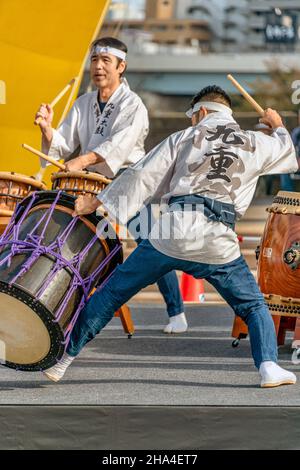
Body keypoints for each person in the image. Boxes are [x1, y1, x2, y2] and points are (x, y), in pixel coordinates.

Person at [43, 85, 298, 388]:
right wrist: (278, 125)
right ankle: (268, 366)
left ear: (201, 112)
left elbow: (139, 175)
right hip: (217, 239)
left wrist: (96, 203)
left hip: (172, 231)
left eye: (193, 116)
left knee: (113, 293)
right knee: (253, 306)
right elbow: (287, 153)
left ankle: (64, 360)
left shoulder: (184, 137)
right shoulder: (255, 142)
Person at [34, 36, 186, 334]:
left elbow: (118, 145)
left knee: (151, 244)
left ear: (121, 67)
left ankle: (176, 311)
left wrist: (82, 161)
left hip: (130, 180)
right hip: (92, 182)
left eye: (106, 61)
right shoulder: (84, 102)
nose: (99, 66)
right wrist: (47, 129)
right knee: (74, 236)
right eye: (95, 60)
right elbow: (64, 147)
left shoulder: (133, 105)